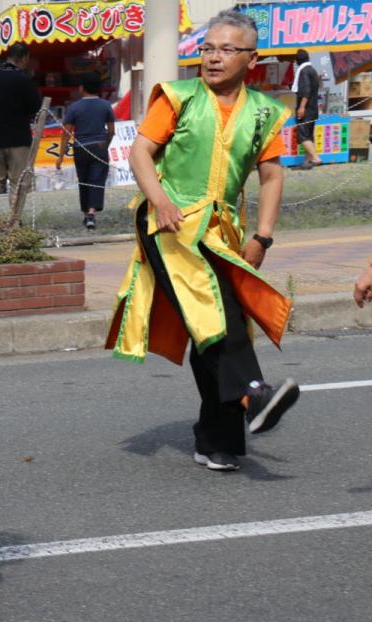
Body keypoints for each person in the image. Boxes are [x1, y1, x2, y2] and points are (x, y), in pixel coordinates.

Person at [106, 9, 300, 474]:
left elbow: (271, 177)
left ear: (251, 59)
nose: (213, 58)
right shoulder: (179, 97)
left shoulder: (264, 112)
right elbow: (141, 152)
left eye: (227, 49)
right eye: (207, 48)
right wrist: (160, 201)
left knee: (213, 325)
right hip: (169, 225)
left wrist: (263, 237)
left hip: (221, 232)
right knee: (213, 315)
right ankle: (254, 392)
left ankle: (218, 439)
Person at [0, 41, 41, 207]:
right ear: (24, 58)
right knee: (18, 180)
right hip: (19, 138)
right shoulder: (24, 79)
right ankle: (14, 219)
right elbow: (36, 107)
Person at [56, 73, 115, 230]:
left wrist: (60, 156)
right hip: (99, 146)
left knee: (84, 179)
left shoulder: (74, 107)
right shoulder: (105, 105)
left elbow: (66, 133)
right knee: (97, 179)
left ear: (82, 88)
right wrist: (105, 145)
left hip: (80, 148)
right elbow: (111, 131)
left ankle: (86, 213)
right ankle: (91, 213)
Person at [292, 49, 322, 169]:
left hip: (307, 108)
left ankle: (315, 158)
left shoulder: (304, 71)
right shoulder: (312, 70)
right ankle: (307, 161)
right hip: (313, 108)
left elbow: (306, 90)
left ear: (297, 61)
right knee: (308, 135)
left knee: (303, 135)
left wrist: (302, 107)